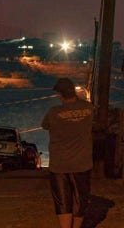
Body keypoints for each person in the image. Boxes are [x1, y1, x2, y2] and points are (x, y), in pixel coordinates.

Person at [42, 77, 94, 228]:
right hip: (82, 162)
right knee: (80, 199)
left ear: (60, 94)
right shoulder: (89, 108)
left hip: (59, 164)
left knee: (63, 200)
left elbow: (45, 125)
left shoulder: (54, 112)